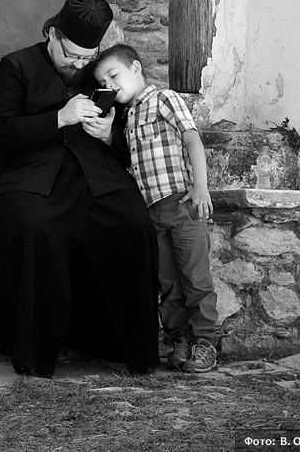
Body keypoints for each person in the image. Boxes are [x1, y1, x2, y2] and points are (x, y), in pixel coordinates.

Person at [0, 0, 161, 377]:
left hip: (96, 175)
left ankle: (122, 348)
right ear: (52, 35)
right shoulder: (16, 66)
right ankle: (34, 353)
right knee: (34, 227)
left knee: (132, 223)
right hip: (32, 177)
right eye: (72, 55)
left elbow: (125, 146)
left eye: (86, 58)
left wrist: (109, 134)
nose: (79, 64)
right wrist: (58, 118)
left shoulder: (96, 70)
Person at [93, 43, 220, 373]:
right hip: (152, 213)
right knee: (167, 284)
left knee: (196, 279)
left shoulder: (164, 98)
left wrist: (201, 187)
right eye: (103, 82)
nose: (109, 85)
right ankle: (180, 339)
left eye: (113, 75)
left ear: (135, 68)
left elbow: (191, 138)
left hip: (182, 204)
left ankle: (206, 342)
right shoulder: (129, 114)